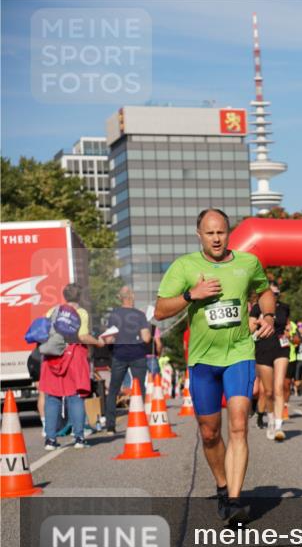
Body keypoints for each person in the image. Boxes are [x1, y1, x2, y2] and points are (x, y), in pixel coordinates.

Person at [155, 208, 274, 523]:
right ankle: (222, 485)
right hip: (203, 360)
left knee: (238, 425)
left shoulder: (247, 263)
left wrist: (269, 315)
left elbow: (264, 291)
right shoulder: (185, 266)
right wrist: (191, 295)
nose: (217, 238)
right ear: (199, 235)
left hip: (239, 353)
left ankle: (235, 500)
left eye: (221, 231)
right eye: (210, 233)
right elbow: (160, 310)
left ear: (228, 232)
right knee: (209, 433)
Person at [40, 283, 106, 450]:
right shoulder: (81, 312)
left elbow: (44, 332)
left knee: (52, 397)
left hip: (52, 356)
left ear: (65, 296)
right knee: (75, 396)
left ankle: (50, 440)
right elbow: (82, 336)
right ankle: (78, 438)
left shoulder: (53, 311)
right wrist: (98, 342)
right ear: (79, 297)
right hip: (73, 355)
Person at [103, 285, 152, 435]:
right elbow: (146, 338)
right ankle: (140, 421)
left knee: (113, 390)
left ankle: (110, 426)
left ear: (120, 298)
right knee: (139, 389)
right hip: (138, 355)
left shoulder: (114, 315)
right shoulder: (140, 315)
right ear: (132, 297)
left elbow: (109, 339)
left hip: (119, 355)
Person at [250, 282, 291, 441]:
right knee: (267, 391)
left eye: (275, 294)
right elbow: (250, 328)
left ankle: (279, 426)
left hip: (281, 348)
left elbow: (287, 325)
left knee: (279, 386)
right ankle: (271, 420)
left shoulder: (284, 307)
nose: (273, 297)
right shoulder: (256, 308)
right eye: (270, 293)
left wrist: (288, 332)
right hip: (263, 349)